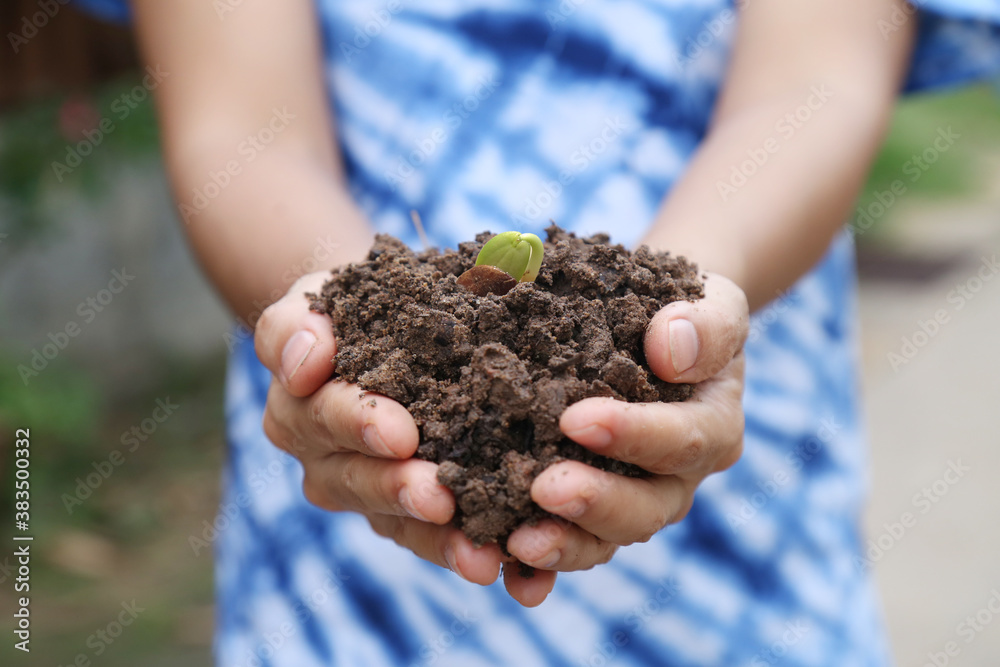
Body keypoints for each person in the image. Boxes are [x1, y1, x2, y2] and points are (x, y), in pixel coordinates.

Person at [73, 0, 1000, 664]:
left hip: (734, 530)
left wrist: (684, 302)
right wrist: (342, 314)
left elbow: (813, 82)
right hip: (348, 540)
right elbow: (243, 130)